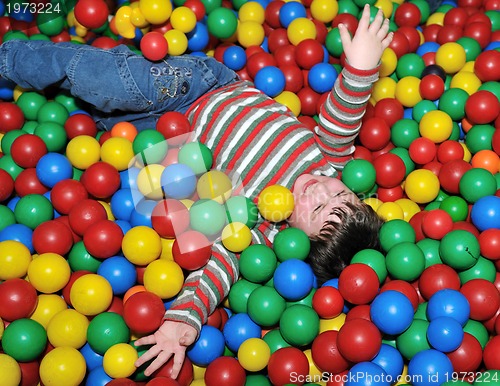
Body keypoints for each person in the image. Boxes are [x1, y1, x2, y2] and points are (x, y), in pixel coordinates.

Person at [0, 4, 393, 379]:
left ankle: (99, 97)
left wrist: (182, 323)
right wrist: (361, 66)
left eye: (317, 208)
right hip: (200, 90)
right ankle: (9, 60)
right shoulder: (326, 158)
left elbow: (219, 265)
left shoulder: (262, 224)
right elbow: (343, 116)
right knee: (108, 81)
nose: (319, 188)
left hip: (159, 143)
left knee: (110, 126)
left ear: (294, 236)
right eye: (339, 193)